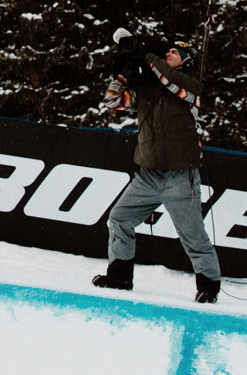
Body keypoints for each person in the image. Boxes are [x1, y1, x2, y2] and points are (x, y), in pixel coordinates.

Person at [93, 28, 222, 304]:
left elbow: (171, 81)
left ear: (186, 59)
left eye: (175, 52)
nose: (168, 54)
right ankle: (119, 276)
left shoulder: (190, 87)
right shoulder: (147, 88)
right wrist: (125, 72)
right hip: (148, 176)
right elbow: (111, 101)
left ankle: (209, 287)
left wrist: (149, 55)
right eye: (167, 51)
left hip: (180, 176)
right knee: (119, 219)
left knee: (193, 236)